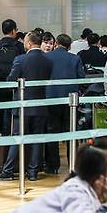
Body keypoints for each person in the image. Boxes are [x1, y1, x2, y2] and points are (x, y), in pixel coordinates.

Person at [0, 32, 53, 181]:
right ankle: (33, 172)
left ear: (30, 44)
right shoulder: (48, 61)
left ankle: (8, 170)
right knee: (37, 139)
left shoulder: (20, 59)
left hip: (22, 105)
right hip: (40, 104)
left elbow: (11, 80)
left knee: (17, 137)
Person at [44, 34, 85, 175]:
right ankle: (72, 162)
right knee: (71, 131)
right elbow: (81, 79)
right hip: (71, 101)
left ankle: (52, 165)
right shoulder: (75, 58)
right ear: (69, 46)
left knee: (51, 132)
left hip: (51, 99)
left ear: (56, 43)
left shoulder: (47, 57)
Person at [0, 19, 25, 135]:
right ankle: (10, 134)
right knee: (12, 111)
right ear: (14, 30)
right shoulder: (19, 46)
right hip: (14, 86)